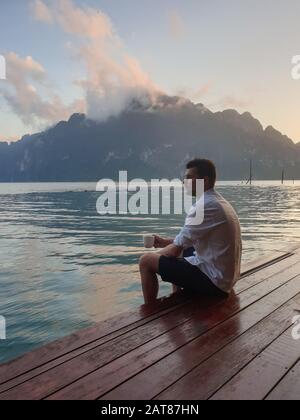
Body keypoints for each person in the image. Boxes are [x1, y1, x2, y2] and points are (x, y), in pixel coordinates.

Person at [139, 158, 242, 305]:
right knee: (182, 251)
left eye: (188, 178)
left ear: (204, 181)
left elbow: (173, 251)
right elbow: (184, 241)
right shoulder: (217, 202)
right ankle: (178, 297)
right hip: (224, 278)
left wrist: (153, 258)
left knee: (145, 261)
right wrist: (163, 243)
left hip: (214, 283)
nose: (184, 182)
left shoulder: (204, 207)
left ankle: (149, 314)